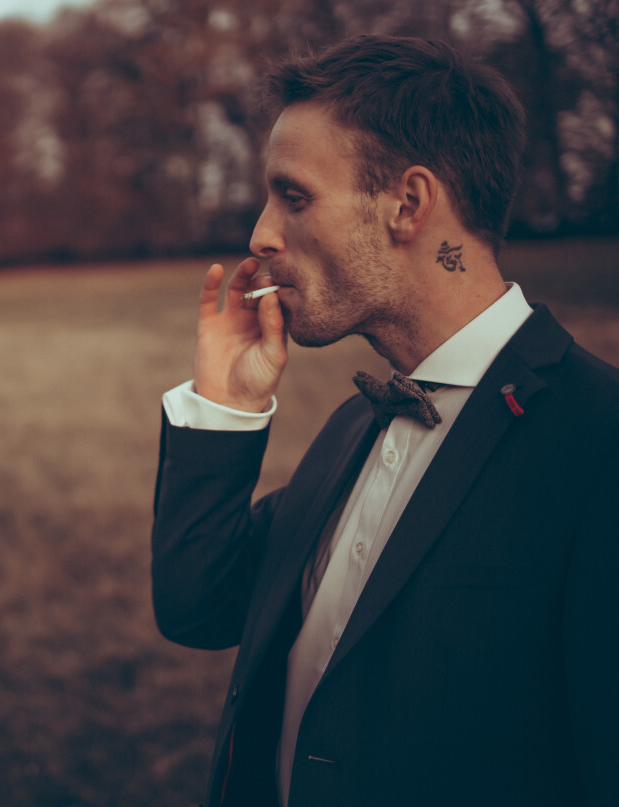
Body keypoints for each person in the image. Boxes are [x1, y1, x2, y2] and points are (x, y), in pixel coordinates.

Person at [150, 35, 619, 807]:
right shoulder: (350, 430)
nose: (260, 235)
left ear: (408, 203)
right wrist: (227, 407)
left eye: (293, 196)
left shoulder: (601, 447)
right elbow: (200, 606)